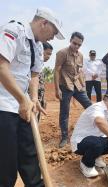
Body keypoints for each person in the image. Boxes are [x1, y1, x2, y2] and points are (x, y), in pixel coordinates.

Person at [0, 7, 64, 187]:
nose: (53, 38)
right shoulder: (14, 31)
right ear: (44, 23)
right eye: (53, 32)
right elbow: (1, 67)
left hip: (24, 106)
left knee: (29, 153)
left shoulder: (37, 45)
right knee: (6, 163)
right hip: (3, 106)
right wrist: (22, 99)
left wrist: (33, 98)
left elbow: (34, 75)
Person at [70, 89, 108, 178]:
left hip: (95, 139)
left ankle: (95, 157)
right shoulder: (97, 107)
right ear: (107, 100)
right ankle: (86, 164)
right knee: (97, 144)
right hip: (80, 142)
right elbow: (99, 121)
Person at [54, 32, 92, 148]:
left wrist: (83, 85)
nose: (76, 46)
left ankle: (95, 131)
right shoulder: (62, 53)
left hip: (78, 86)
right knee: (64, 112)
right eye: (74, 43)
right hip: (65, 86)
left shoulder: (80, 55)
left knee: (90, 106)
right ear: (70, 40)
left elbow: (79, 72)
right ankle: (65, 137)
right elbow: (56, 70)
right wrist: (57, 89)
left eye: (79, 45)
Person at [36, 42, 53, 121]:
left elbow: (41, 86)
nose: (48, 56)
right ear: (40, 50)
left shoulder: (41, 66)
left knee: (36, 121)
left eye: (50, 55)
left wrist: (43, 100)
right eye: (47, 53)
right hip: (33, 100)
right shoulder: (33, 65)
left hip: (39, 99)